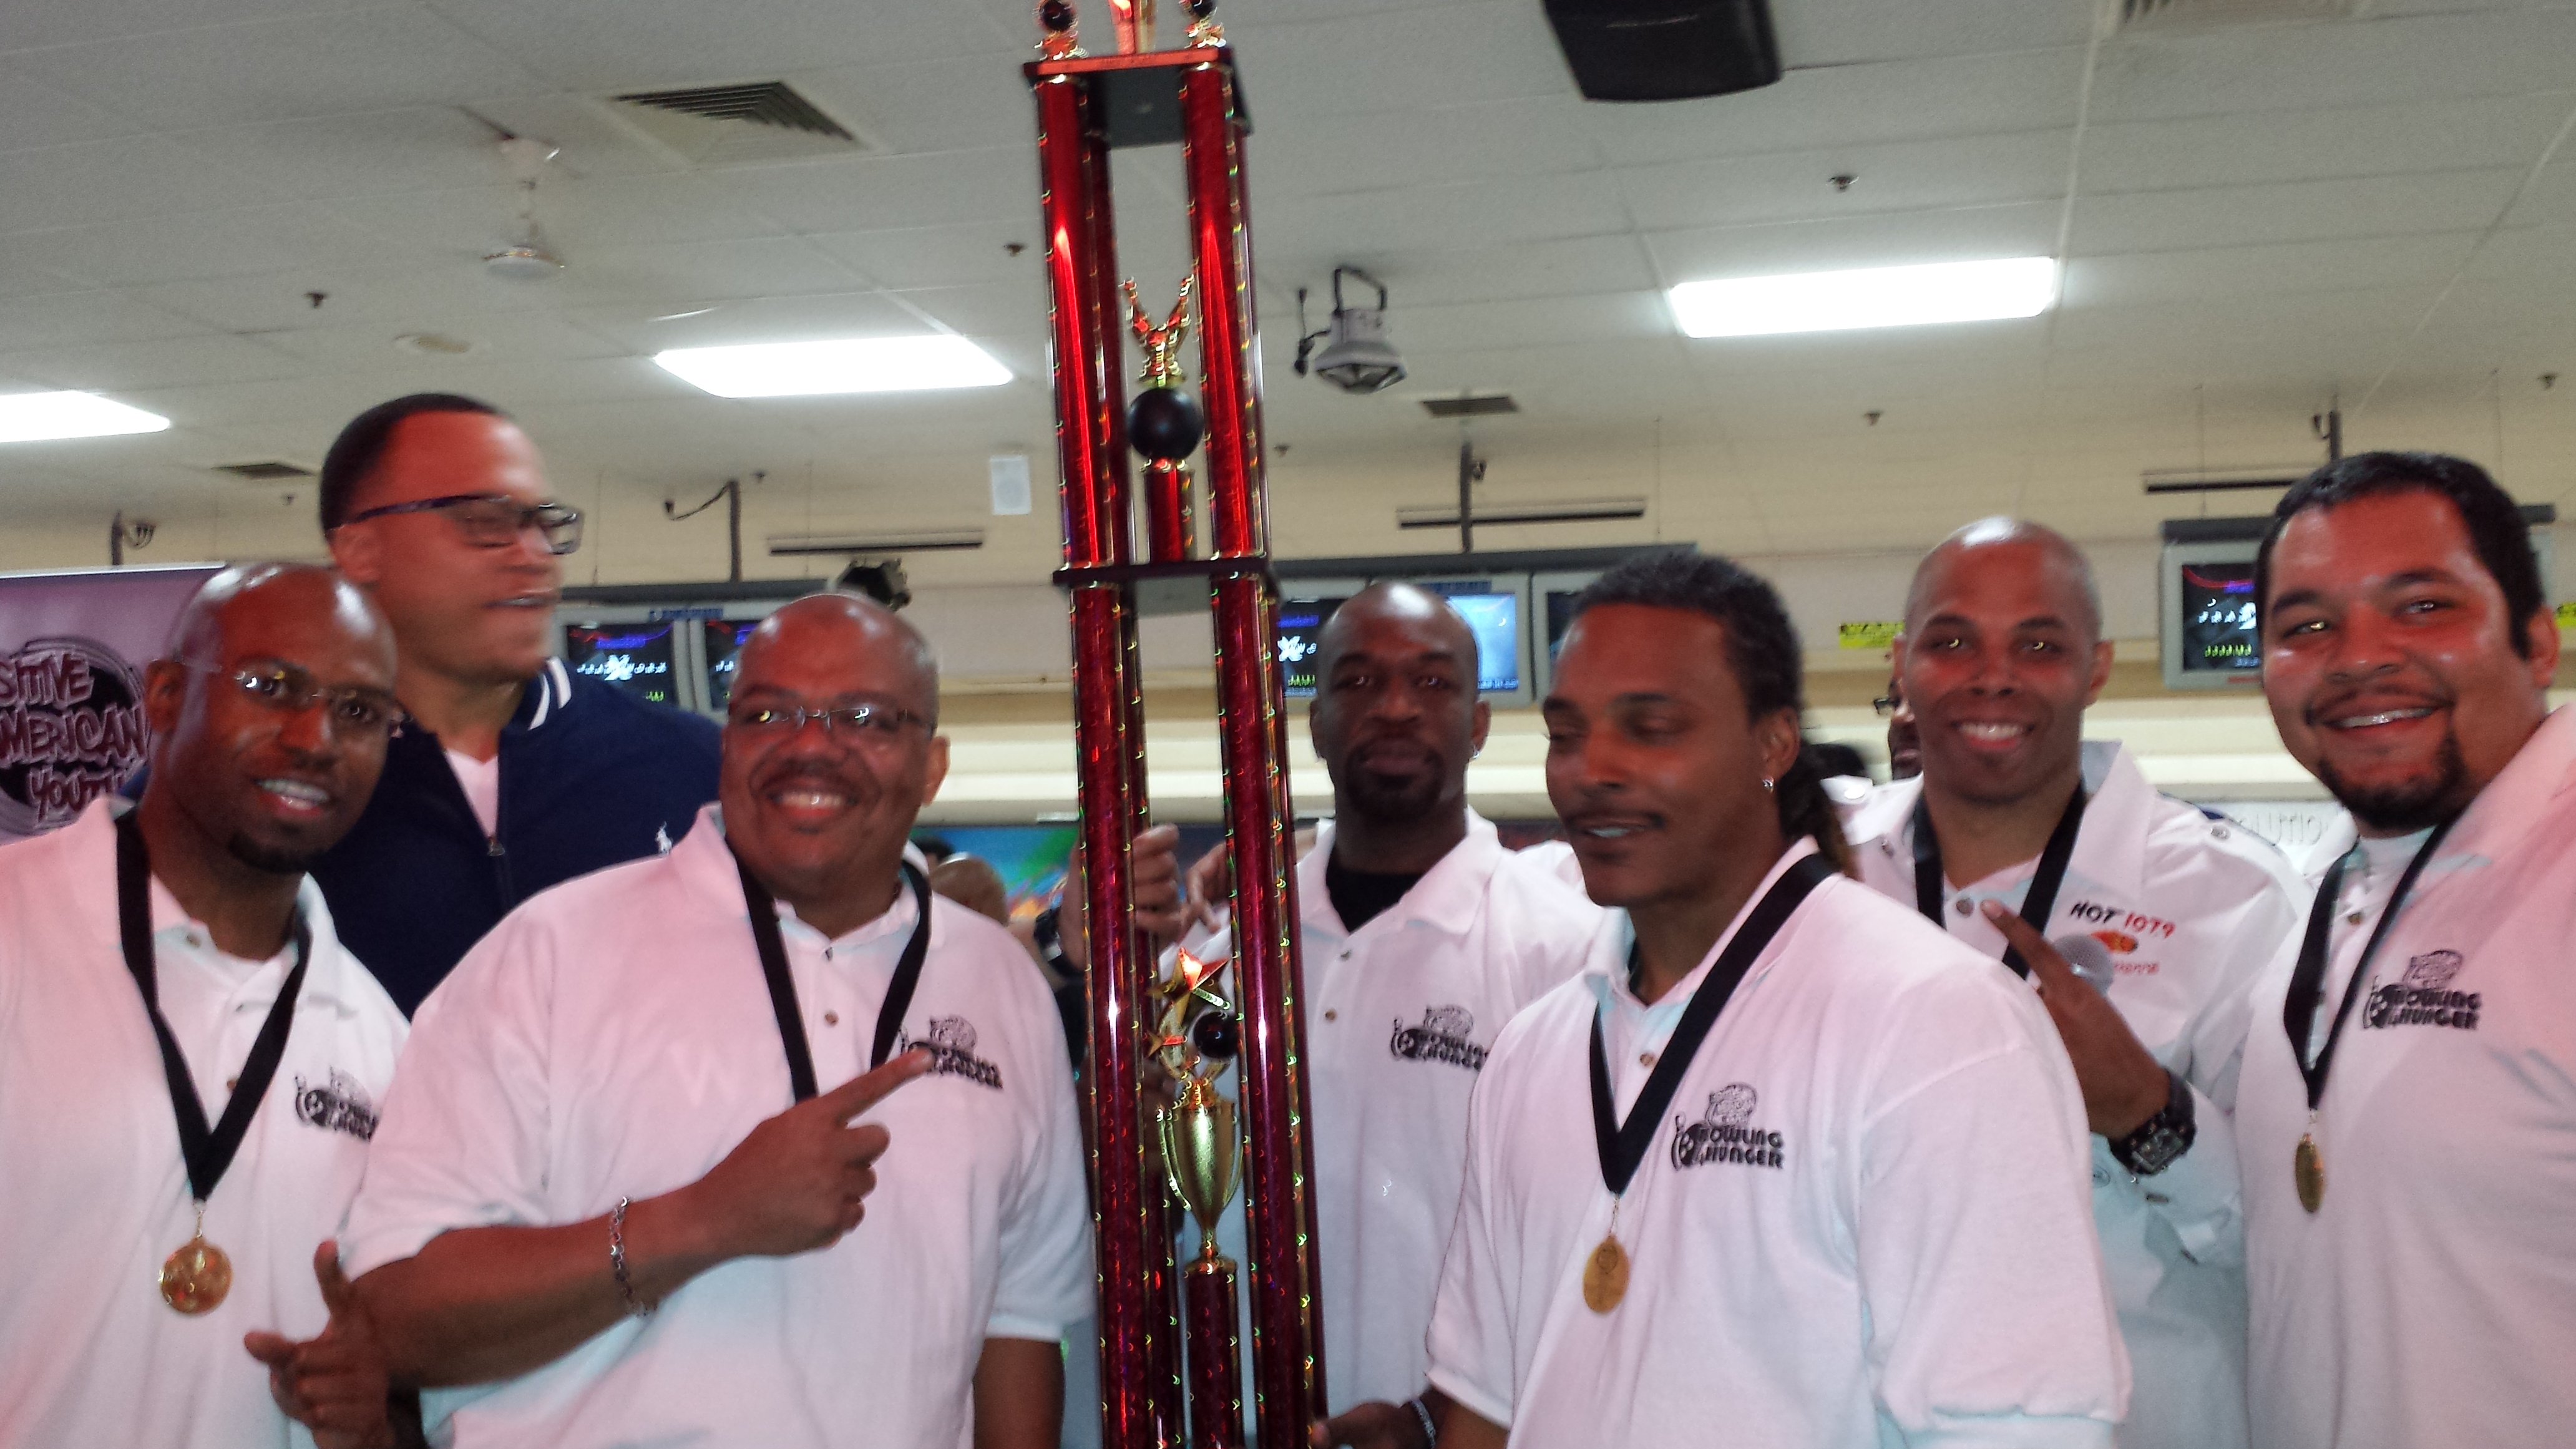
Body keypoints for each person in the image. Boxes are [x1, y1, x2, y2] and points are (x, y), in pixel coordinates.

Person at [341, 593, 1088, 1448]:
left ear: (932, 766)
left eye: (866, 719)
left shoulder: (1001, 986)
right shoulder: (550, 954)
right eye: (768, 712)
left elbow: (1018, 1321)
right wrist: (704, 1219)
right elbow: (395, 1315)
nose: (811, 745)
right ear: (725, 742)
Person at [1427, 551, 2127, 1448]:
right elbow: (1487, 1403)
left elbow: (2019, 1428)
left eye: (1651, 727)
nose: (1592, 768)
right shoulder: (1534, 1049)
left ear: (1773, 746)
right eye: (1567, 734)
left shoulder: (1940, 1023)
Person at [1838, 519, 2300, 1449]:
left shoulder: (2228, 896)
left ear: (2097, 669)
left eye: (2040, 645)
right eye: (1951, 641)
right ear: (1902, 665)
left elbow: (2302, 1237)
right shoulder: (1822, 881)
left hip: (2136, 1422)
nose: (1992, 676)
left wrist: (2147, 1111)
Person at [1181, 583, 1602, 1449]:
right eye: (1360, 681)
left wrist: (1439, 1418)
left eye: (1432, 682)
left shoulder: (1568, 952)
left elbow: (1595, 1236)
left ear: (1479, 724)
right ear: (1316, 725)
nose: (1397, 707)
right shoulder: (1220, 959)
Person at [0, 564, 409, 1448]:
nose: (316, 737)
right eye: (270, 686)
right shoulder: (14, 925)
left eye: (360, 711)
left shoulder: (385, 1041)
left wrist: (374, 1419)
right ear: (163, 694)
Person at [2237, 452, 2574, 1449]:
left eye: (2423, 607)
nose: (2358, 658)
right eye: (2307, 626)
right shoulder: (2339, 889)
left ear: (2537, 641)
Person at [310, 393, 720, 1014]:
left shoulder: (689, 764)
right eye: (484, 520)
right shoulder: (286, 782)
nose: (534, 555)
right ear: (360, 549)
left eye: (543, 523)